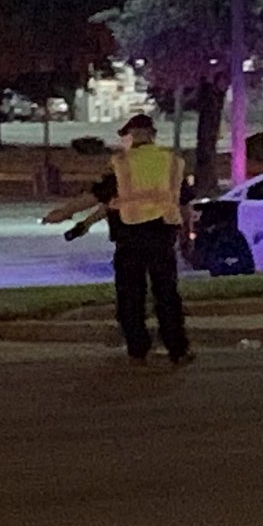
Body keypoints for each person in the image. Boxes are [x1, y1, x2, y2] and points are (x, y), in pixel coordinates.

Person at [44, 114, 194, 367]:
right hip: (162, 235)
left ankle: (137, 349)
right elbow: (183, 202)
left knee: (130, 296)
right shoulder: (172, 162)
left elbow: (96, 196)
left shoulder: (122, 164)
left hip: (131, 237)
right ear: (153, 134)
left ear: (132, 135)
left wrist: (64, 213)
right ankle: (177, 349)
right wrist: (187, 235)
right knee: (167, 294)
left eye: (126, 135)